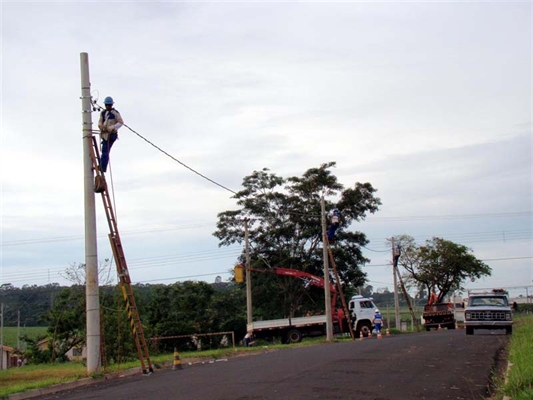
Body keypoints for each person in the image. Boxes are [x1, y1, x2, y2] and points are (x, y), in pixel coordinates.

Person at [97, 96, 123, 173]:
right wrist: (101, 126)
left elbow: (121, 122)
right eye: (107, 105)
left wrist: (113, 127)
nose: (108, 106)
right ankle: (102, 165)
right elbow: (100, 121)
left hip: (111, 135)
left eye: (109, 105)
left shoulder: (115, 113)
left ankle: (103, 167)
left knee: (105, 151)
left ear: (111, 105)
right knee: (104, 151)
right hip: (104, 134)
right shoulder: (103, 113)